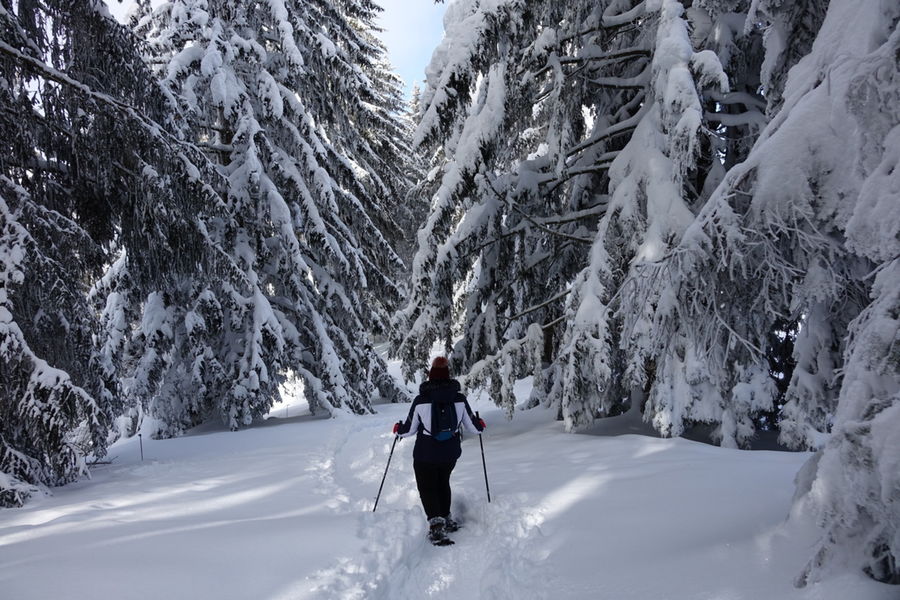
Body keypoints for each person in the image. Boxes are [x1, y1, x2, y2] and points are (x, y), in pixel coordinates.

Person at [393, 356, 486, 545]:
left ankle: (436, 527)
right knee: (443, 483)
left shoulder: (421, 401)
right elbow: (473, 428)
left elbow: (410, 430)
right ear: (447, 375)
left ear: (430, 376)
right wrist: (480, 424)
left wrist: (398, 429)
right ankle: (447, 519)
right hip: (450, 453)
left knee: (427, 487)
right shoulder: (459, 399)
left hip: (425, 453)